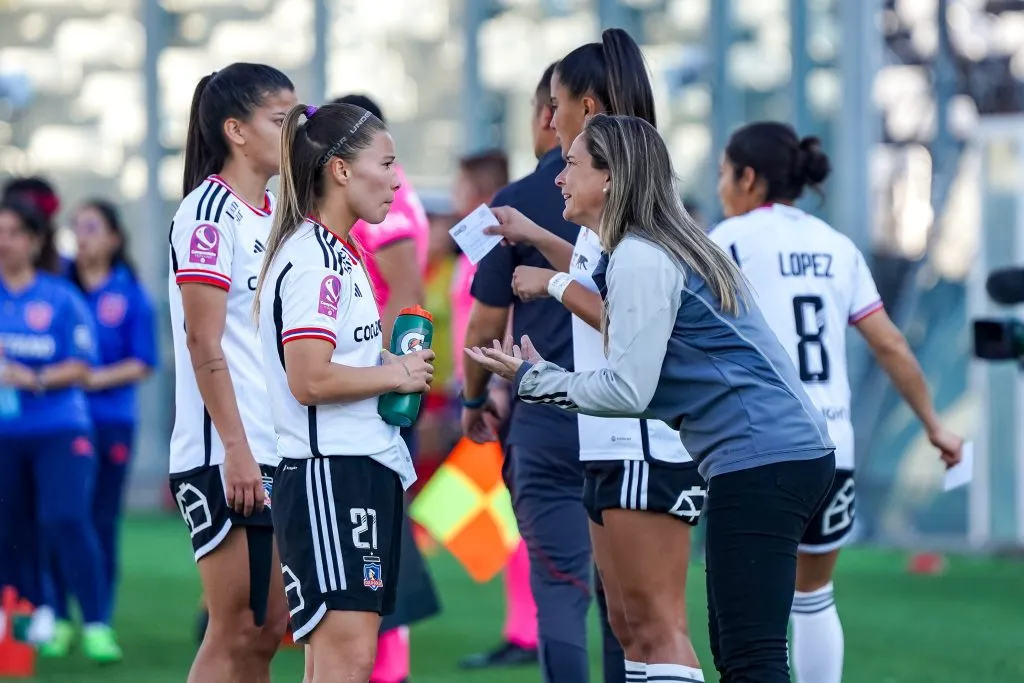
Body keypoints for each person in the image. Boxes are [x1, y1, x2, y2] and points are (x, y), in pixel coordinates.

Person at [465, 113, 836, 683]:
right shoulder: (646, 247)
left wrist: (532, 379)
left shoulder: (641, 254)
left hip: (764, 458)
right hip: (777, 454)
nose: (559, 178)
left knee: (747, 657)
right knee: (737, 649)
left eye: (572, 163)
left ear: (611, 179)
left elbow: (627, 390)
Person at [480, 36, 706, 681]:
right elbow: (594, 277)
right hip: (607, 435)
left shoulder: (640, 229)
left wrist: (548, 286)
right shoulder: (611, 220)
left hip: (641, 440)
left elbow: (626, 320)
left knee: (656, 624)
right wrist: (540, 244)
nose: (551, 126)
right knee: (628, 623)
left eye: (557, 107)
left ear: (590, 108)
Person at [708, 121, 964, 683]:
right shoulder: (836, 246)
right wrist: (934, 425)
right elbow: (890, 343)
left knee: (747, 612)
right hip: (830, 447)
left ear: (748, 178)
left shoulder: (727, 241)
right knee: (814, 595)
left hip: (761, 446)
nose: (722, 185)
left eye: (725, 173)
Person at [252, 101, 434, 683]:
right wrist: (397, 374)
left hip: (358, 469)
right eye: (387, 162)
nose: (397, 179)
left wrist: (388, 362)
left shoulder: (341, 252)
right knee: (347, 661)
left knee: (341, 662)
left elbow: (334, 363)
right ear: (341, 170)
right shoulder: (316, 260)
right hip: (331, 476)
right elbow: (308, 379)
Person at [168, 63, 296, 683]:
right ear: (236, 131)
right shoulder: (208, 213)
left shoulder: (276, 213)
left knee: (269, 631)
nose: (294, 130)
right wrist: (237, 449)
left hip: (274, 447)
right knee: (236, 629)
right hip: (225, 453)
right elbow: (203, 340)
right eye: (281, 119)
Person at [331, 92, 440, 683]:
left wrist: (395, 388)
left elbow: (404, 292)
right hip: (373, 380)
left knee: (378, 533)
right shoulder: (381, 198)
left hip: (380, 388)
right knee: (367, 533)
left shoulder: (386, 205)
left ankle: (386, 664)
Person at [0, 199, 121, 661]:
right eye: (0, 232)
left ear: (33, 241)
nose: (4, 241)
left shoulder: (59, 298)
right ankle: (39, 613)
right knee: (12, 527)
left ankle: (95, 623)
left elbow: (82, 366)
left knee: (65, 517)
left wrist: (34, 378)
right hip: (6, 433)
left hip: (59, 428)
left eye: (13, 232)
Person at [40, 199, 157, 658]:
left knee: (100, 521)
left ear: (114, 238)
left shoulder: (130, 294)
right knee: (58, 519)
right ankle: (56, 616)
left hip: (110, 423)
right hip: (61, 425)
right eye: (76, 228)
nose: (82, 237)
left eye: (91, 228)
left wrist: (92, 378)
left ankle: (97, 621)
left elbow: (143, 362)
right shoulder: (55, 288)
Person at [448, 149, 541, 671]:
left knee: (516, 518)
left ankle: (527, 633)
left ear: (483, 189)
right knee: (504, 518)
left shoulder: (496, 237)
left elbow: (500, 315)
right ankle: (521, 629)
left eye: (463, 187)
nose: (457, 198)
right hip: (478, 388)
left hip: (495, 393)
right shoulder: (474, 238)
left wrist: (497, 386)